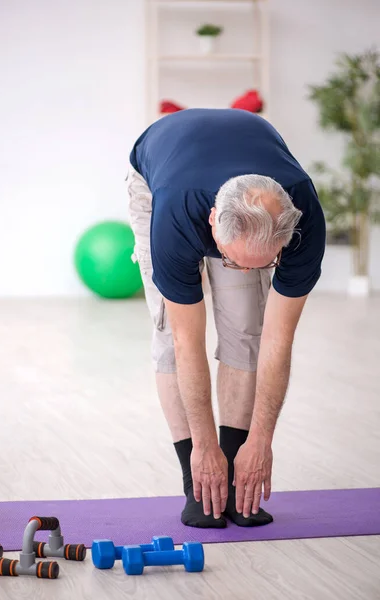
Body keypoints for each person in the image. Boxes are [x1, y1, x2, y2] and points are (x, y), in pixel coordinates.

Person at [127, 108, 326, 529]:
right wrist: (204, 446)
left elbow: (277, 341)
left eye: (262, 264)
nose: (245, 272)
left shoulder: (303, 218)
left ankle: (236, 481)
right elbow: (187, 344)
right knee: (169, 338)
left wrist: (261, 441)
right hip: (161, 182)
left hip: (232, 183)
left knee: (246, 330)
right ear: (214, 223)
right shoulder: (176, 217)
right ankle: (197, 484)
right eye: (234, 262)